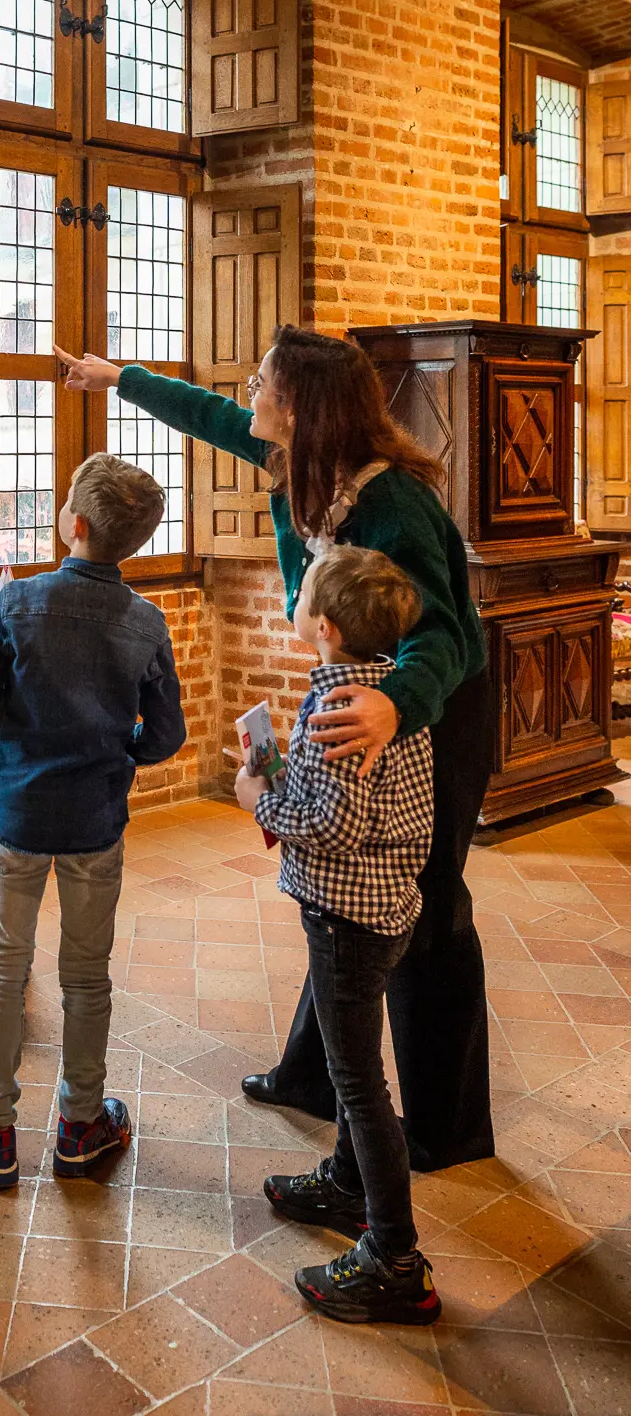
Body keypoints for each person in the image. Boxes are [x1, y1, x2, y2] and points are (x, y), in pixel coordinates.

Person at [55, 325, 494, 1173]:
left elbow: (438, 636)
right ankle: (312, 1076)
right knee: (342, 896)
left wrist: (394, 706)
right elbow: (211, 416)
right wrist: (119, 379)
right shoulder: (298, 461)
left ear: (298, 408)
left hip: (432, 706)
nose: (248, 395)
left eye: (261, 384)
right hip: (370, 694)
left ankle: (447, 1126)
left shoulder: (392, 501)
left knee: (424, 906)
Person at [0, 452, 187, 1190]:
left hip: (16, 812)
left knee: (2, 967)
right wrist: (119, 753)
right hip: (93, 818)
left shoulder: (16, 604)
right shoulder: (146, 621)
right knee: (85, 976)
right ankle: (81, 1124)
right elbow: (165, 735)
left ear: (72, 523)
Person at [236, 545, 441, 1326]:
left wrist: (258, 798)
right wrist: (285, 775)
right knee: (353, 1065)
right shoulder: (391, 696)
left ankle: (394, 1258)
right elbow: (363, 804)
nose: (294, 605)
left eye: (301, 598)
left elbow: (334, 827)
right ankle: (347, 1185)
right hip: (384, 904)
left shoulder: (335, 710)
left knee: (357, 1084)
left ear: (321, 626)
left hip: (346, 917)